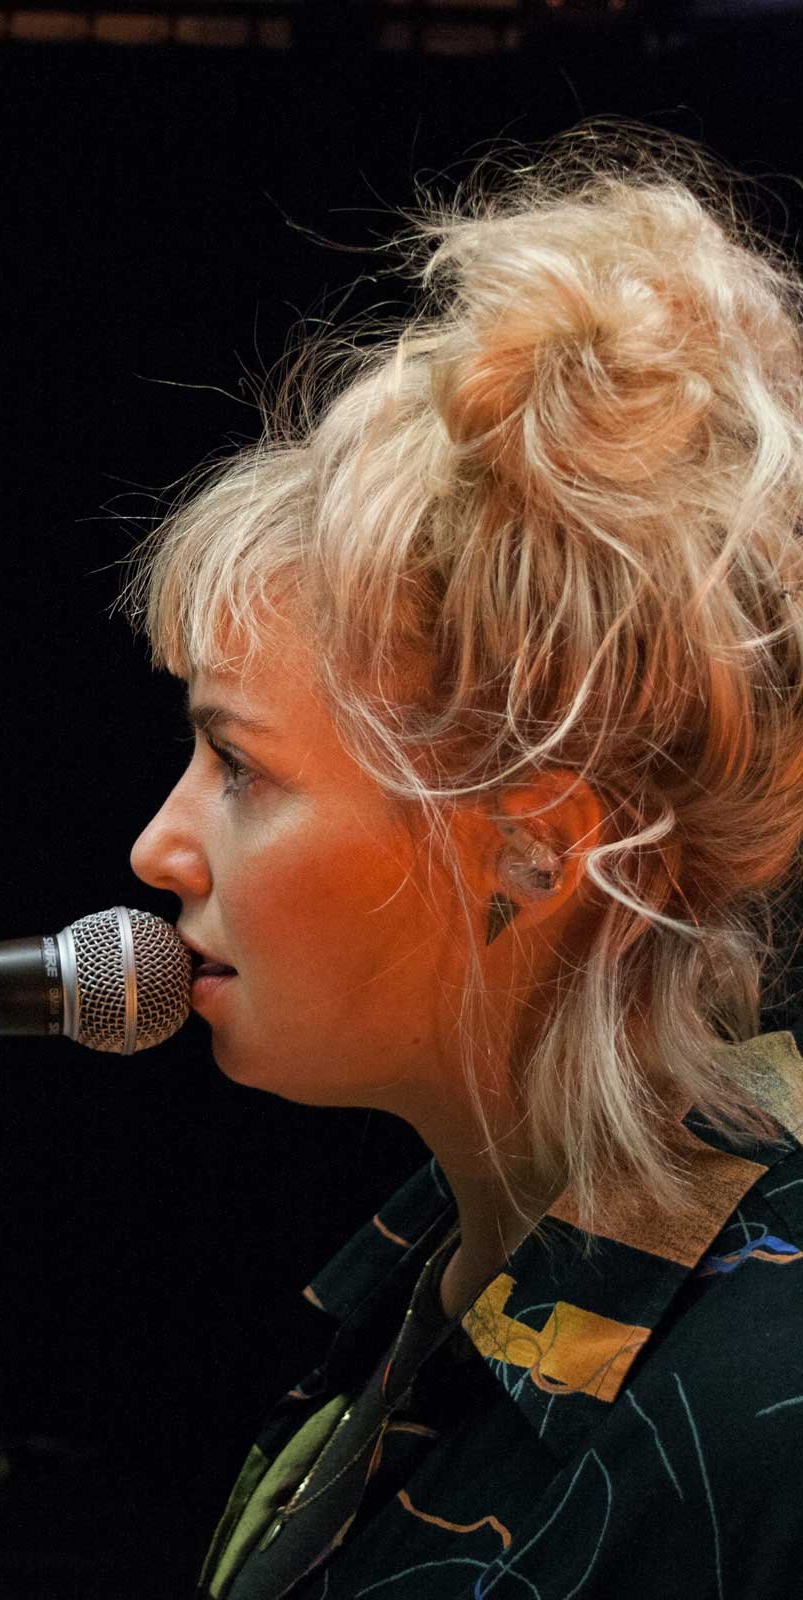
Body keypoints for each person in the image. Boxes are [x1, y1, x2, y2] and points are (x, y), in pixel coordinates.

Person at [121, 117, 803, 1598]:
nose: (159, 845)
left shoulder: (768, 1409)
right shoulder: (440, 1256)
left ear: (532, 846)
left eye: (240, 765)